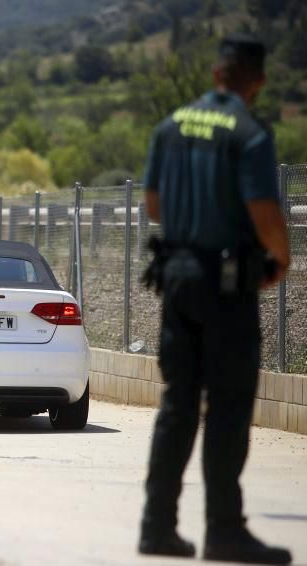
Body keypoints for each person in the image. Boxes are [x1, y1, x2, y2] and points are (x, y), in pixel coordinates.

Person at [138, 35, 292, 565]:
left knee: (178, 405)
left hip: (176, 277)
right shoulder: (249, 133)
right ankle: (224, 531)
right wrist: (281, 259)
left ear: (215, 72)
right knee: (227, 409)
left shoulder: (170, 126)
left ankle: (157, 527)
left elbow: (153, 205)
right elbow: (264, 211)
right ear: (258, 80)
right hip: (227, 285)